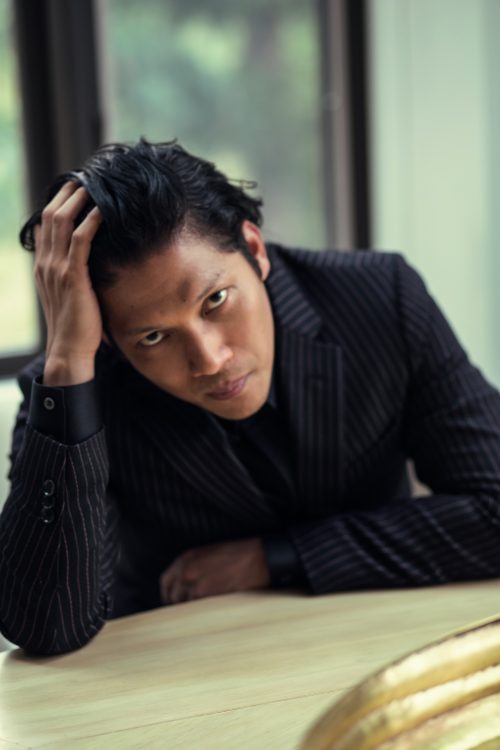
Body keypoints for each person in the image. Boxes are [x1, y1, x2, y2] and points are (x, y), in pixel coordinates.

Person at [1, 139, 500, 656]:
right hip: (184, 666)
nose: (209, 360)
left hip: (379, 644)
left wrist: (276, 557)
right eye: (153, 337)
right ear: (109, 339)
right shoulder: (75, 388)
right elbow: (45, 627)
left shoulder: (379, 298)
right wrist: (67, 364)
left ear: (255, 249)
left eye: (215, 300)